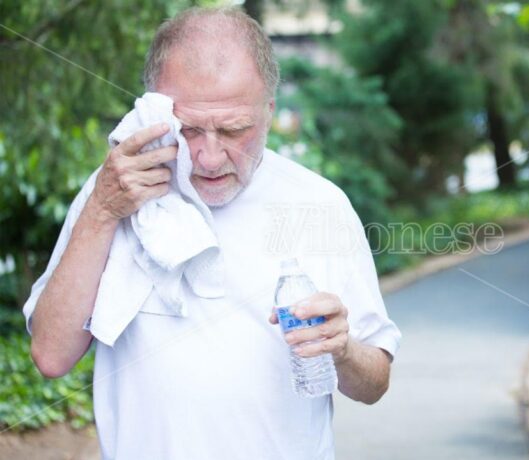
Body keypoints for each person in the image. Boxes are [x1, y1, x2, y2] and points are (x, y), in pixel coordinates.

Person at [22, 7, 401, 460]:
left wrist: (342, 349)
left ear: (269, 112)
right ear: (154, 110)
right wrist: (103, 210)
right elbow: (50, 355)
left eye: (234, 129)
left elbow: (374, 382)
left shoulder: (320, 204)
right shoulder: (115, 190)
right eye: (189, 130)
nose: (208, 156)